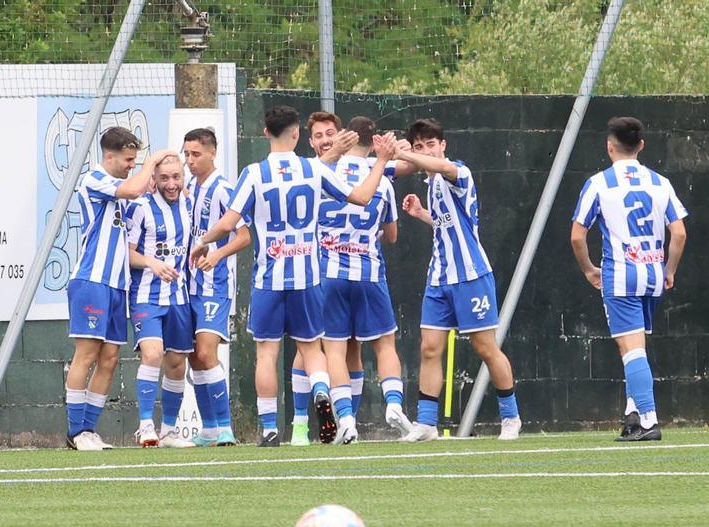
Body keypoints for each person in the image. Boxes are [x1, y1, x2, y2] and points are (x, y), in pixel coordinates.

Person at [190, 105, 394, 447]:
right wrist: (382, 163)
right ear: (298, 133)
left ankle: (270, 428)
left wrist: (202, 243)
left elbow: (228, 223)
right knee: (312, 349)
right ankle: (319, 389)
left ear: (265, 132)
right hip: (308, 277)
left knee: (267, 353)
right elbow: (361, 197)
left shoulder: (254, 173)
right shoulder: (313, 169)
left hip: (269, 278)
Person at [397, 118, 521, 442]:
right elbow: (447, 225)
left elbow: (439, 169)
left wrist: (407, 156)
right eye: (418, 146)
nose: (425, 150)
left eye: (430, 144)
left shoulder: (457, 172)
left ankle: (511, 418)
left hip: (471, 275)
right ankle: (425, 424)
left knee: (485, 347)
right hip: (439, 278)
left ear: (443, 145)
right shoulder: (432, 185)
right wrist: (423, 214)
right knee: (429, 348)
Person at [570, 116, 687, 442]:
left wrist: (588, 269)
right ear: (641, 146)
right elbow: (678, 233)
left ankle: (649, 420)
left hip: (620, 274)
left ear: (610, 147)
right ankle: (633, 415)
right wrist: (669, 270)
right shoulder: (659, 182)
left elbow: (578, 237)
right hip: (651, 272)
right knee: (634, 348)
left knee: (630, 347)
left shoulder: (599, 183)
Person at [64, 127, 177, 451]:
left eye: (136, 159)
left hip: (117, 285)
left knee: (110, 358)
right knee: (86, 354)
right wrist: (153, 161)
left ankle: (89, 428)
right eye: (128, 159)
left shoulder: (119, 186)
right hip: (92, 281)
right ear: (109, 156)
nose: (132, 165)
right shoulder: (95, 180)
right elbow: (132, 188)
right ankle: (75, 432)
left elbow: (136, 194)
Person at [316, 117, 413, 438]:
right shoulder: (381, 180)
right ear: (373, 143)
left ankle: (345, 420)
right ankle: (394, 404)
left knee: (334, 350)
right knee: (384, 345)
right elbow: (394, 235)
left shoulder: (324, 172)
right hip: (370, 272)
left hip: (329, 273)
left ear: (346, 137)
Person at [183, 128, 249, 447]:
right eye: (186, 154)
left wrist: (217, 254)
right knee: (194, 357)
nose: (190, 161)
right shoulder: (186, 189)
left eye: (196, 154)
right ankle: (209, 428)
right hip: (187, 286)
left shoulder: (224, 189)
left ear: (213, 153)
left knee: (207, 351)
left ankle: (225, 427)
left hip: (215, 285)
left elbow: (245, 235)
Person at [126, 155, 196, 448]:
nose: (171, 184)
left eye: (176, 177)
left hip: (179, 296)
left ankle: (168, 431)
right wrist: (152, 264)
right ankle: (145, 426)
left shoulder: (190, 205)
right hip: (146, 295)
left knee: (177, 362)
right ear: (153, 179)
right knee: (153, 354)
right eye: (164, 178)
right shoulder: (140, 208)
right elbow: (126, 254)